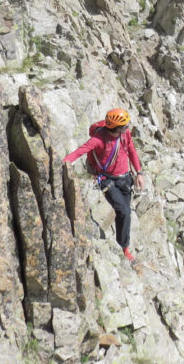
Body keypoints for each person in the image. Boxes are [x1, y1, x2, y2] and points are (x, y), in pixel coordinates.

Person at [63, 108, 144, 262]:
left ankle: (123, 246)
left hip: (125, 179)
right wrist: (62, 162)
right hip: (106, 180)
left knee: (124, 214)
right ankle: (124, 246)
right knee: (124, 210)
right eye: (125, 126)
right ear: (116, 128)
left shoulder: (124, 134)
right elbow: (80, 152)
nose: (128, 128)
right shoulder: (98, 140)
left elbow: (131, 151)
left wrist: (139, 172)